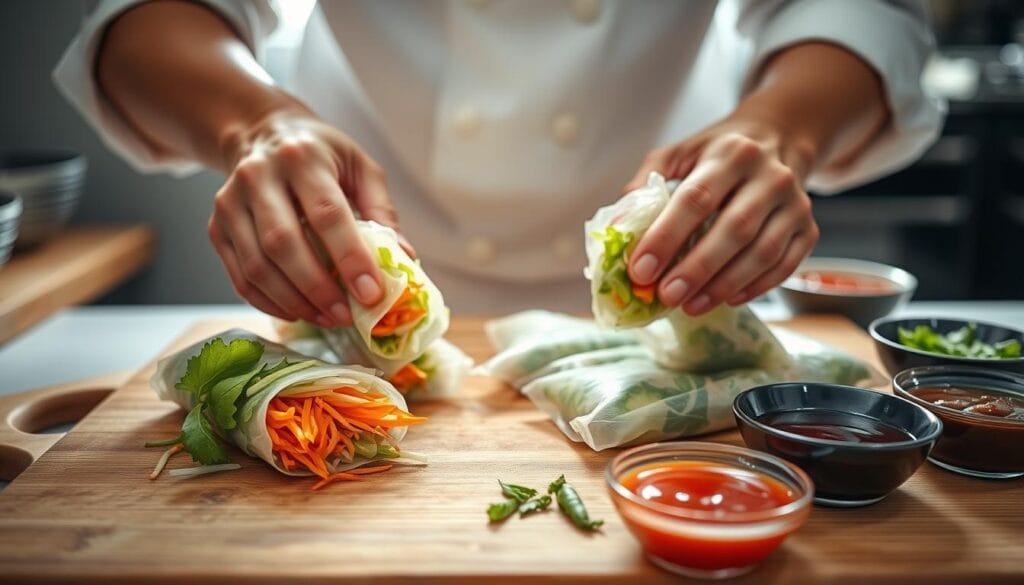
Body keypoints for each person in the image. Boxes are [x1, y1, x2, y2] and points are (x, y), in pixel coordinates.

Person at [55, 0, 943, 325]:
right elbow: (138, 16)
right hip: (343, 252)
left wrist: (777, 131)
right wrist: (256, 122)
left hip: (685, 270)